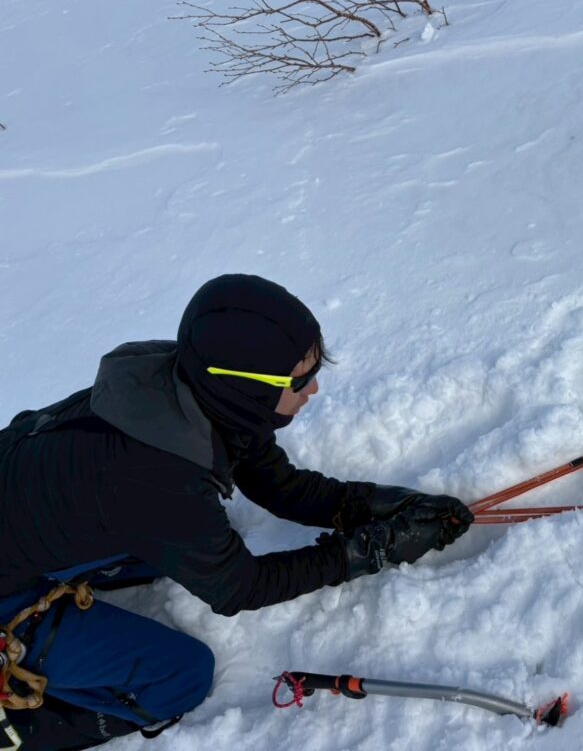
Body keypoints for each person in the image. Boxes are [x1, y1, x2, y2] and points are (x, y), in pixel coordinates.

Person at [0, 274, 474, 750]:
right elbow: (240, 587)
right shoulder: (156, 481)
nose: (314, 389)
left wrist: (373, 506)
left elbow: (279, 485)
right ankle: (19, 728)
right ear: (248, 390)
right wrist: (367, 552)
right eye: (300, 379)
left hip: (28, 521)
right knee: (182, 677)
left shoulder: (190, 388)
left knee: (178, 549)